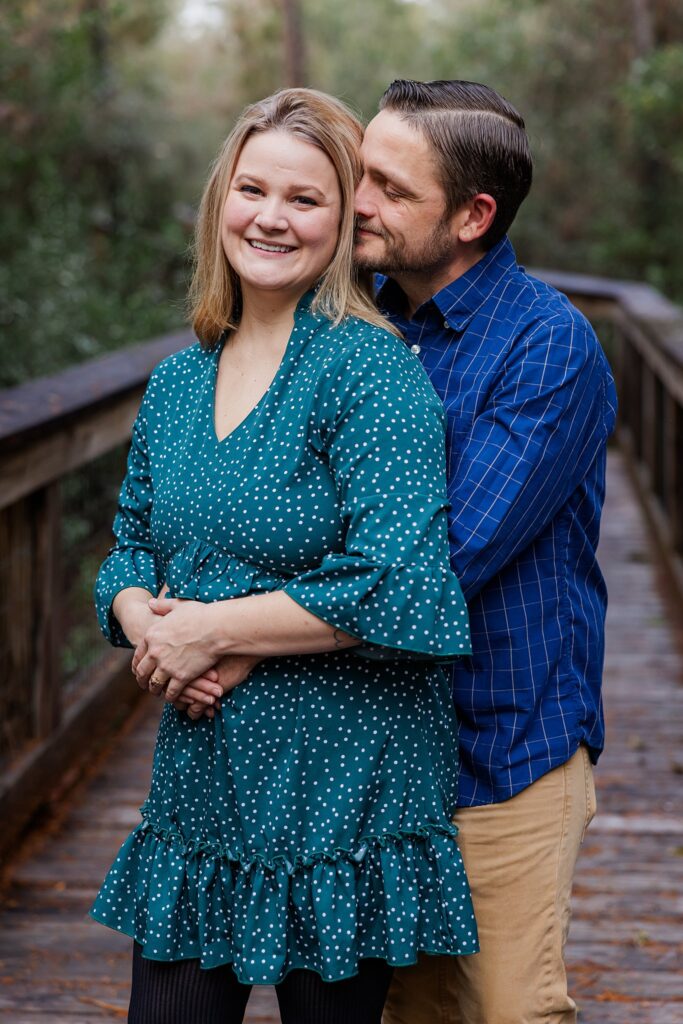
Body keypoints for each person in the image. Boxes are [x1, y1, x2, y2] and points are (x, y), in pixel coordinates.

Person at [90, 87, 478, 1024]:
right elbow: (129, 546)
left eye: (304, 199)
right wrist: (150, 626)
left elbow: (396, 579)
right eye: (252, 188)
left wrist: (209, 631)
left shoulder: (370, 370)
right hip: (204, 785)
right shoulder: (180, 378)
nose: (270, 217)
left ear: (345, 222)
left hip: (341, 789)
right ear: (220, 196)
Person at [352, 79, 618, 1024]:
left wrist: (233, 632)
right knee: (411, 1013)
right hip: (380, 749)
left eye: (387, 186)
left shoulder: (548, 346)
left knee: (507, 1010)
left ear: (472, 216)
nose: (356, 201)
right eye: (358, 172)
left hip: (505, 746)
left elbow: (443, 563)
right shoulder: (357, 321)